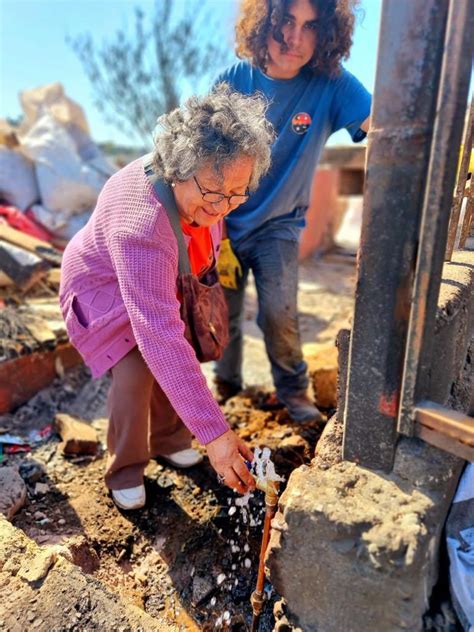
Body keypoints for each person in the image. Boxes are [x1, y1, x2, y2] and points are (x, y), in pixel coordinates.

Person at [59, 85, 274, 510]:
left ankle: (170, 438)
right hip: (99, 287)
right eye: (214, 193)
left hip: (151, 277)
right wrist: (217, 436)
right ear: (178, 168)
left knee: (182, 351)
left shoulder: (210, 192)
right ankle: (125, 467)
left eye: (237, 194)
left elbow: (207, 226)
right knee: (138, 368)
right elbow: (157, 333)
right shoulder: (141, 223)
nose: (223, 207)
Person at [214, 0, 371, 422]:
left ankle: (295, 393)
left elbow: (384, 126)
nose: (293, 37)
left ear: (328, 34)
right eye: (284, 20)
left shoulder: (331, 85)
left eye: (310, 26)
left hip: (278, 227)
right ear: (263, 21)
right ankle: (226, 385)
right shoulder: (232, 81)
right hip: (222, 227)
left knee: (278, 312)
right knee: (222, 312)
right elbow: (202, 154)